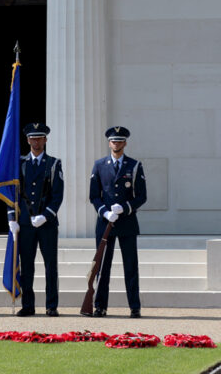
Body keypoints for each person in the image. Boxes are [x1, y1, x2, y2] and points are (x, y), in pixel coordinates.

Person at [89, 126, 147, 318]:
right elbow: (94, 196)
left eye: (120, 141)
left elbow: (141, 196)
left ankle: (134, 306)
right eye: (114, 141)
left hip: (127, 223)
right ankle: (100, 306)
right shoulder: (99, 165)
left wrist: (125, 208)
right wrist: (105, 212)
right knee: (103, 267)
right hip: (106, 224)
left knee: (131, 266)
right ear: (109, 143)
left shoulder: (135, 165)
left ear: (125, 143)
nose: (116, 144)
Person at [9, 123, 64, 317]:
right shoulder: (19, 163)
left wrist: (46, 215)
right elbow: (12, 192)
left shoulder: (54, 163)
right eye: (32, 138)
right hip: (25, 222)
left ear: (45, 140)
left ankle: (51, 305)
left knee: (50, 265)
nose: (36, 141)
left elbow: (57, 195)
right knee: (27, 266)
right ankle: (28, 305)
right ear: (27, 140)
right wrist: (11, 217)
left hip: (46, 223)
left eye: (39, 138)